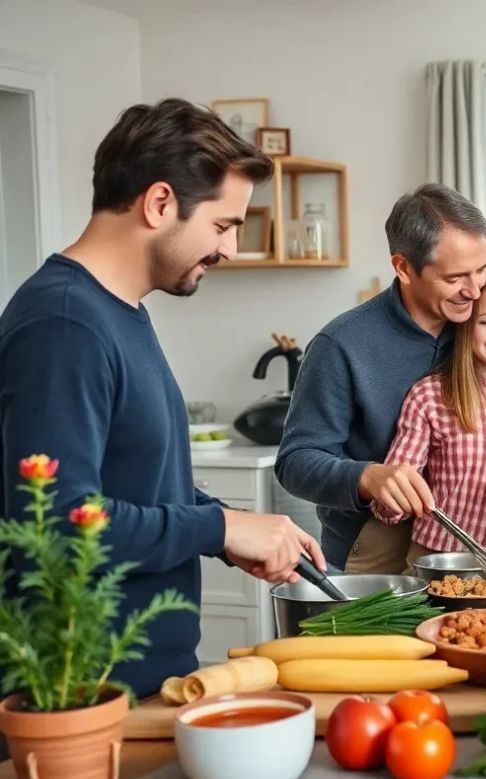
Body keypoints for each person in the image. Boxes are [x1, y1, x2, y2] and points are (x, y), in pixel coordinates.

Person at [0, 98, 325, 699]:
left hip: (147, 687)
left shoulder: (119, 311)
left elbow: (139, 483)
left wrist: (235, 529)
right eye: (223, 225)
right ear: (159, 203)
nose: (230, 248)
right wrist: (218, 528)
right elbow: (60, 529)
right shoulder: (64, 324)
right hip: (85, 699)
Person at [275, 183, 486, 572]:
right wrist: (367, 477)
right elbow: (295, 462)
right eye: (455, 277)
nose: (474, 291)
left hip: (472, 547)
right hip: (370, 553)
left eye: (481, 270)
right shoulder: (341, 344)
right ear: (403, 268)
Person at [370, 261, 486, 572]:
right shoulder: (429, 395)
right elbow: (389, 503)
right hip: (437, 561)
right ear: (465, 324)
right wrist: (392, 497)